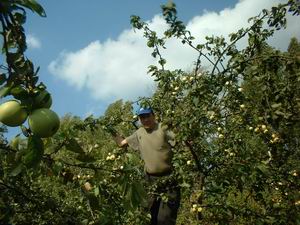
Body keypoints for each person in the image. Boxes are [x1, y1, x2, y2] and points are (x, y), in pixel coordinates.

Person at [111, 107, 181, 225]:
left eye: (147, 116)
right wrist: (112, 132)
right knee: (149, 216)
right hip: (150, 180)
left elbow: (179, 139)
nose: (145, 120)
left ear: (154, 116)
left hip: (169, 179)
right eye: (142, 117)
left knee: (165, 219)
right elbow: (122, 144)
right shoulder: (139, 133)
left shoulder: (163, 128)